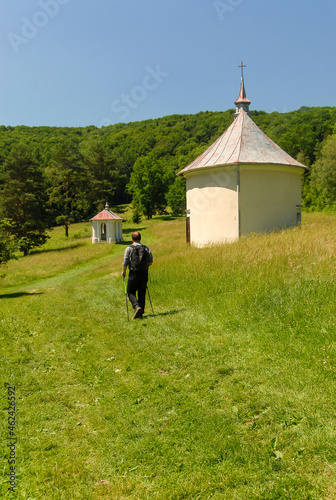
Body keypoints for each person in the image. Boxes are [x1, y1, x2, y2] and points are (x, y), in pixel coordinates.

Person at [122, 231, 153, 319]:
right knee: (142, 292)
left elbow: (125, 262)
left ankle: (136, 306)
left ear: (132, 239)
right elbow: (150, 261)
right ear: (140, 238)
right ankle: (141, 312)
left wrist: (123, 272)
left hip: (133, 273)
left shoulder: (129, 248)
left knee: (130, 292)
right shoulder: (146, 248)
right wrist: (145, 267)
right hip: (144, 273)